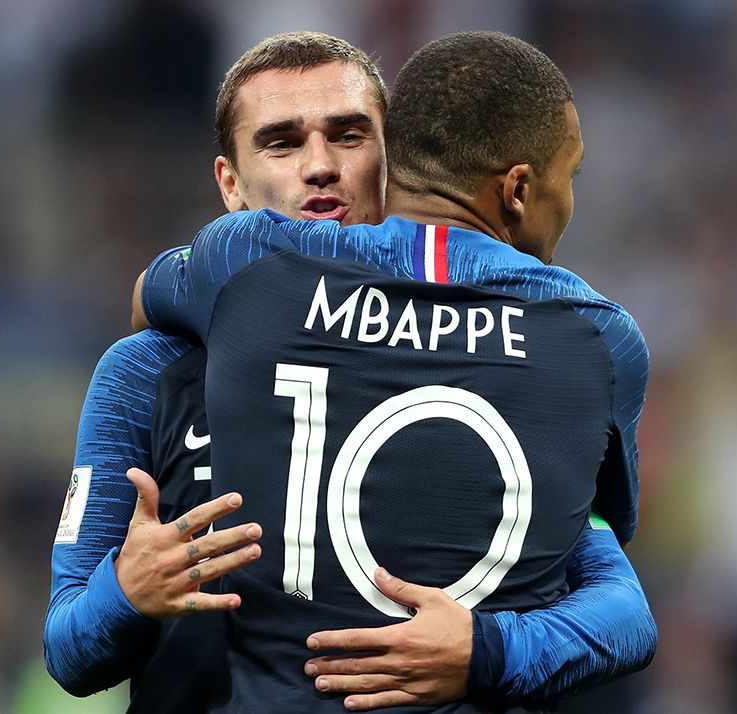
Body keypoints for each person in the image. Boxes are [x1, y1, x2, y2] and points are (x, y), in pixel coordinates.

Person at [47, 31, 654, 712]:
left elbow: (619, 604)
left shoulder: (531, 365)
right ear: (230, 184)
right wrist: (124, 594)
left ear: (396, 154)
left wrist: (489, 649)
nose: (320, 166)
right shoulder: (146, 374)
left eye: (349, 134)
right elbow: (68, 651)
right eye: (281, 142)